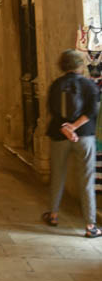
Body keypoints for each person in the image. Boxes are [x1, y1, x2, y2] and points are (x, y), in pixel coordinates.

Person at [42, 49, 101, 237]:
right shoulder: (89, 85)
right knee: (86, 180)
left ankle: (53, 214)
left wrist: (67, 129)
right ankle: (90, 226)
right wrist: (75, 127)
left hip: (60, 135)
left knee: (58, 175)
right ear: (80, 65)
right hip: (84, 136)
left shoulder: (56, 84)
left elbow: (52, 109)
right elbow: (92, 110)